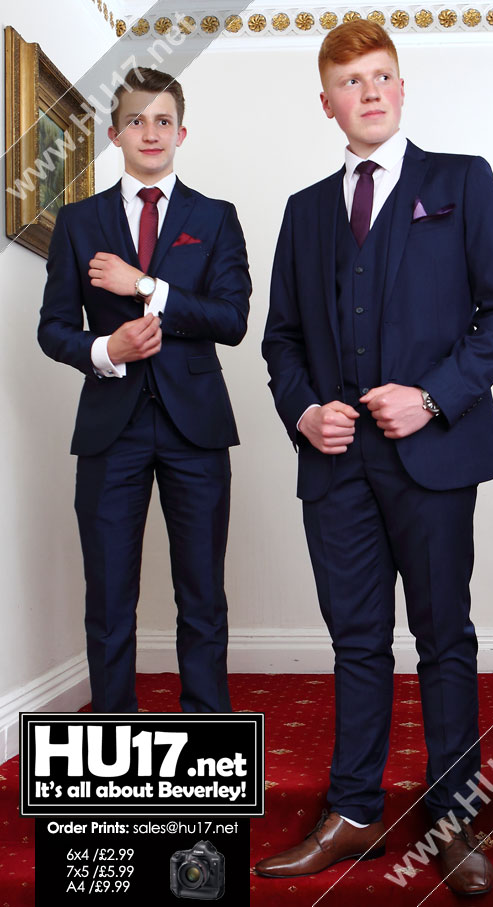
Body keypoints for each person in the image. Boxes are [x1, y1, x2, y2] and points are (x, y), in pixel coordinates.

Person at [258, 20, 493, 895]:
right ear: (327, 102)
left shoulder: (461, 181)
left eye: (381, 76)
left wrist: (433, 396)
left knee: (444, 636)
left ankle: (453, 816)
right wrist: (304, 411)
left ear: (401, 88)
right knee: (355, 640)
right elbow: (281, 339)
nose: (369, 91)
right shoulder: (303, 211)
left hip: (435, 455)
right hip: (336, 466)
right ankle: (354, 811)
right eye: (351, 81)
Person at [38, 67, 251, 714]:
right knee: (107, 594)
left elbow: (232, 320)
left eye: (163, 121)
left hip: (197, 427)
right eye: (136, 120)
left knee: (202, 592)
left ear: (181, 132)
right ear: (115, 134)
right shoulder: (77, 221)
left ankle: (206, 725)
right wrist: (108, 350)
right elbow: (52, 328)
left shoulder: (215, 218)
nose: (150, 132)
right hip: (112, 427)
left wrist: (146, 287)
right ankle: (114, 729)